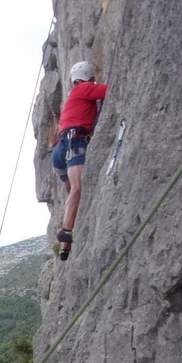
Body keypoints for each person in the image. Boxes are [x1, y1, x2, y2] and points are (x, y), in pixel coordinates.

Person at [51, 61, 109, 260]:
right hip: (74, 142)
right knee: (77, 188)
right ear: (89, 77)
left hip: (59, 149)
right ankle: (66, 231)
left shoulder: (70, 97)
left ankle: (65, 248)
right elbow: (109, 90)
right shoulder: (84, 88)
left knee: (70, 193)